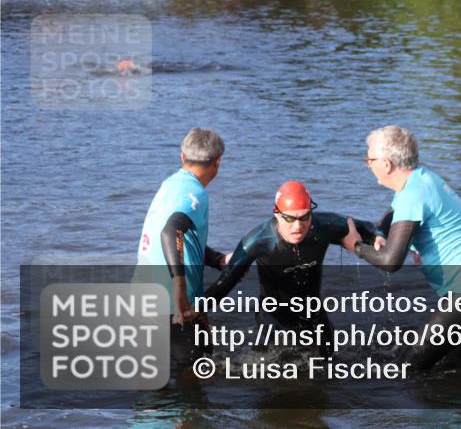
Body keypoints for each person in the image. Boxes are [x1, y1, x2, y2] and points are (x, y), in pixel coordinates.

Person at [343, 125, 461, 370]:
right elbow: (392, 219)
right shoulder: (420, 178)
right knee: (450, 366)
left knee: (408, 368)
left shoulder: (413, 194)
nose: (368, 165)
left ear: (386, 164)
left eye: (370, 159)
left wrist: (354, 245)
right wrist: (378, 234)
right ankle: (458, 405)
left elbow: (390, 262)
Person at [203, 181, 382, 347]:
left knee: (330, 362)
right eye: (290, 218)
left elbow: (364, 227)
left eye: (304, 217)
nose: (298, 226)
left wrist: (378, 236)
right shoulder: (259, 240)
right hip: (273, 315)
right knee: (270, 368)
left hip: (313, 311)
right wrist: (196, 309)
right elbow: (225, 282)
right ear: (277, 214)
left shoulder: (323, 226)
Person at [135, 128, 228, 365]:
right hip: (175, 306)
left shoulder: (169, 185)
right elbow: (171, 231)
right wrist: (179, 288)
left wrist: (217, 259)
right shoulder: (196, 194)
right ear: (218, 162)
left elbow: (177, 236)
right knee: (195, 375)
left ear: (182, 157)